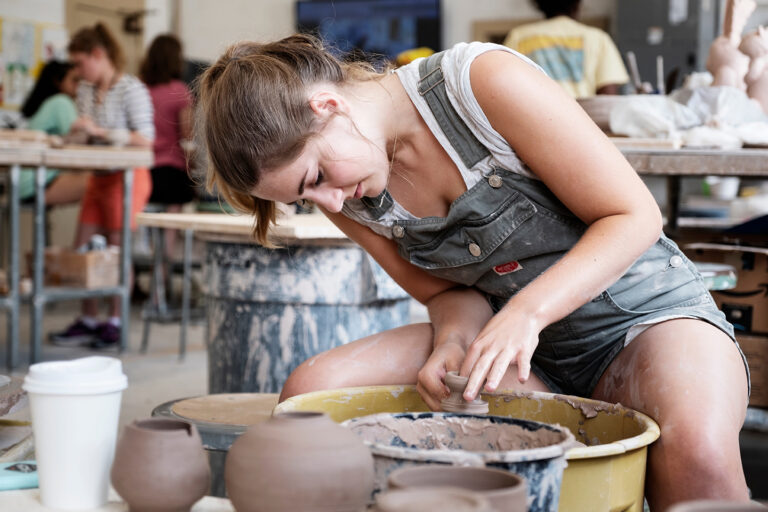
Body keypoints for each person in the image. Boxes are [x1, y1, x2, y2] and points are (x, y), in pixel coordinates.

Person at [196, 35, 751, 510]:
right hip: (521, 352)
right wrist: (455, 340)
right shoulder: (352, 191)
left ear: (326, 106)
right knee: (310, 396)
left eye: (317, 175)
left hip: (646, 317)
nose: (332, 203)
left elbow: (633, 216)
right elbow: (442, 293)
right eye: (307, 196)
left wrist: (525, 314)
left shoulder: (479, 83)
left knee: (696, 460)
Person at [50, 22, 155, 349]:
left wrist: (102, 133)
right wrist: (76, 133)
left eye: (81, 63)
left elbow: (146, 140)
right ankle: (89, 319)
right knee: (84, 250)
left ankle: (115, 320)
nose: (78, 72)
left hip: (127, 177)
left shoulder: (131, 88)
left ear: (98, 55)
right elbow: (88, 134)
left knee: (115, 252)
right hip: (98, 176)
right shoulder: (84, 90)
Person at [139, 34, 196, 261]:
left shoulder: (139, 88)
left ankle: (141, 263)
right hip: (171, 174)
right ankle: (162, 274)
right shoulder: (179, 91)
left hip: (142, 171)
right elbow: (187, 137)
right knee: (171, 227)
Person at [503, 0, 629, 98]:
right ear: (577, 3)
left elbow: (506, 85)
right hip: (584, 119)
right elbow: (607, 95)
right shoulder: (598, 38)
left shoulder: (519, 36)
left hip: (534, 120)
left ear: (539, 4)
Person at [18, 60, 89, 204]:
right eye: (74, 80)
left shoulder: (47, 103)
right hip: (34, 183)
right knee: (104, 182)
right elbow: (79, 141)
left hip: (22, 183)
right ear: (58, 81)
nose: (78, 85)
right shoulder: (61, 102)